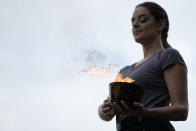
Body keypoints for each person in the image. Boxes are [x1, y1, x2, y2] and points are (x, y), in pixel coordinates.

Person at [98, 2, 188, 131]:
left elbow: (181, 110)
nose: (135, 25)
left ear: (160, 24)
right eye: (133, 22)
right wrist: (104, 110)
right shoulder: (124, 71)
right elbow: (107, 113)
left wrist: (144, 112)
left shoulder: (168, 56)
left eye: (143, 20)